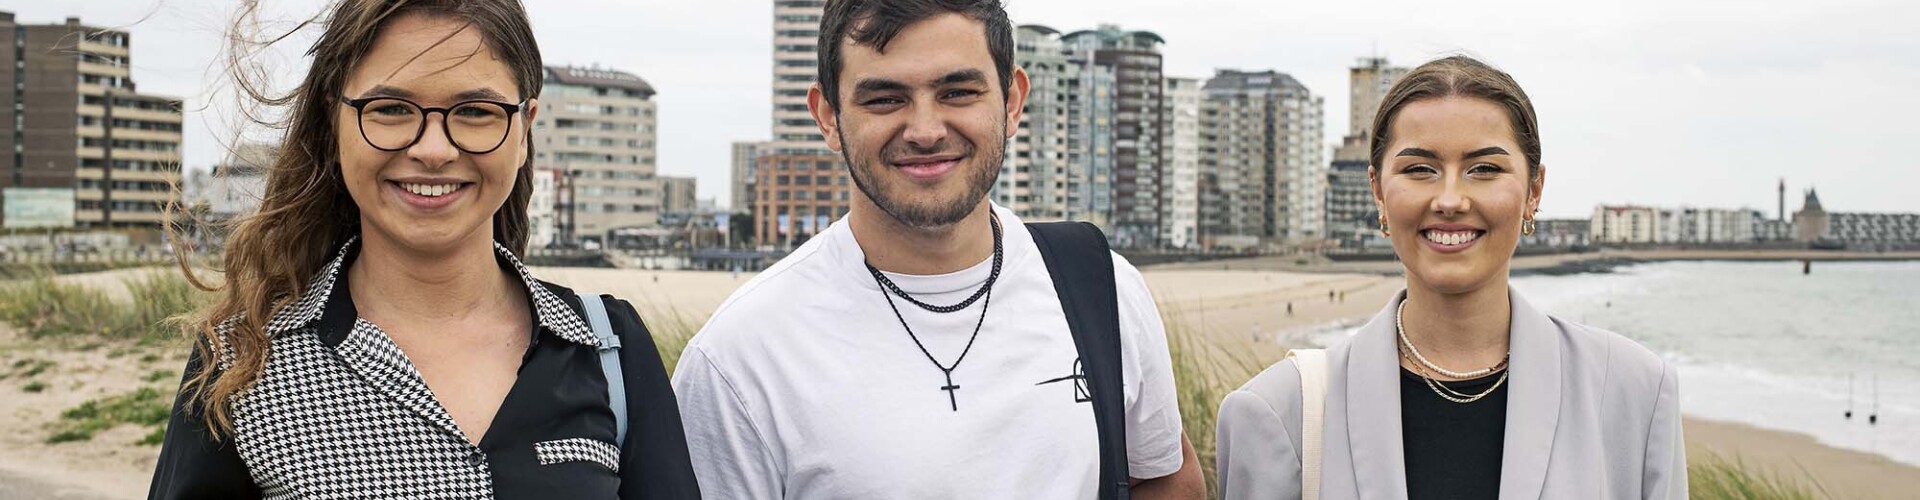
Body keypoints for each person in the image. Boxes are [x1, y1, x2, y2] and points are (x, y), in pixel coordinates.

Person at [147, 1, 698, 498]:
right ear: (333, 118)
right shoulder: (243, 358)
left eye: (476, 112)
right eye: (390, 109)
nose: (434, 150)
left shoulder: (609, 348)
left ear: (525, 126)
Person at [671, 0, 1203, 498]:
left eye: (958, 92)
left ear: (1013, 101)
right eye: (885, 99)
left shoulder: (1102, 287)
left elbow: (1166, 479)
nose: (925, 131)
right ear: (828, 117)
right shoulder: (738, 357)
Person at [1214, 55, 1686, 499]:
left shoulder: (1633, 392)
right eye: (1420, 169)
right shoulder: (1279, 412)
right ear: (1378, 191)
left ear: (1534, 191)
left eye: (1484, 169)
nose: (1451, 199)